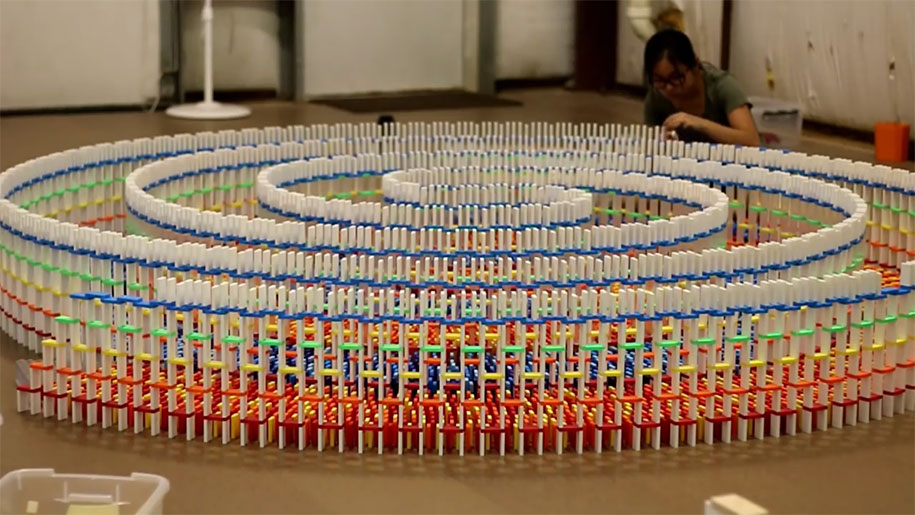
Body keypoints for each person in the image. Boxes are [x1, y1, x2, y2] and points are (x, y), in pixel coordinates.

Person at [643, 29, 760, 146]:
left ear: (695, 64)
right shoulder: (656, 95)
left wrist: (700, 124)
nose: (668, 88)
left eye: (676, 78)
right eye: (659, 80)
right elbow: (649, 143)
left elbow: (751, 141)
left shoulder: (723, 87)